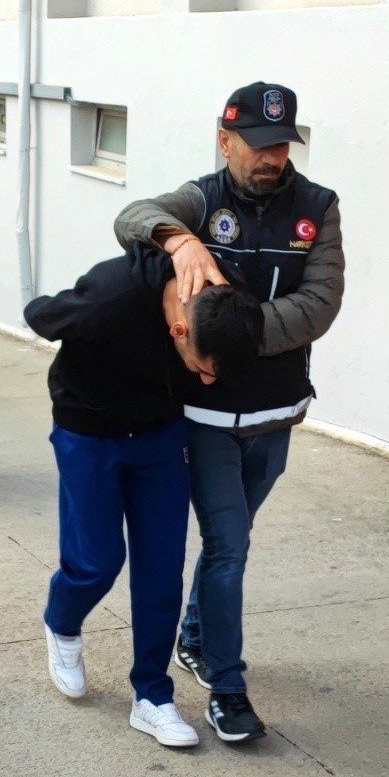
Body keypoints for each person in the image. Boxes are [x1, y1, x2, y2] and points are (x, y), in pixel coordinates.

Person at [114, 81, 345, 743]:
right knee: (228, 545)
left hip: (276, 416)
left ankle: (194, 635)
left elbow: (320, 303)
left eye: (282, 145)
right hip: (208, 418)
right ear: (225, 140)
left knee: (232, 541)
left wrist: (229, 332)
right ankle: (228, 687)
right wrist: (178, 240)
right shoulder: (202, 199)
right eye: (258, 145)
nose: (272, 158)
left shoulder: (318, 208)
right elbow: (132, 216)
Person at [24, 242, 265, 749]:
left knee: (161, 569)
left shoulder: (226, 296)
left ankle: (152, 696)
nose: (207, 380)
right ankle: (62, 622)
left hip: (160, 437)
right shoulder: (109, 296)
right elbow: (40, 315)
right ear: (179, 330)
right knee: (96, 562)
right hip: (89, 434)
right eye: (204, 368)